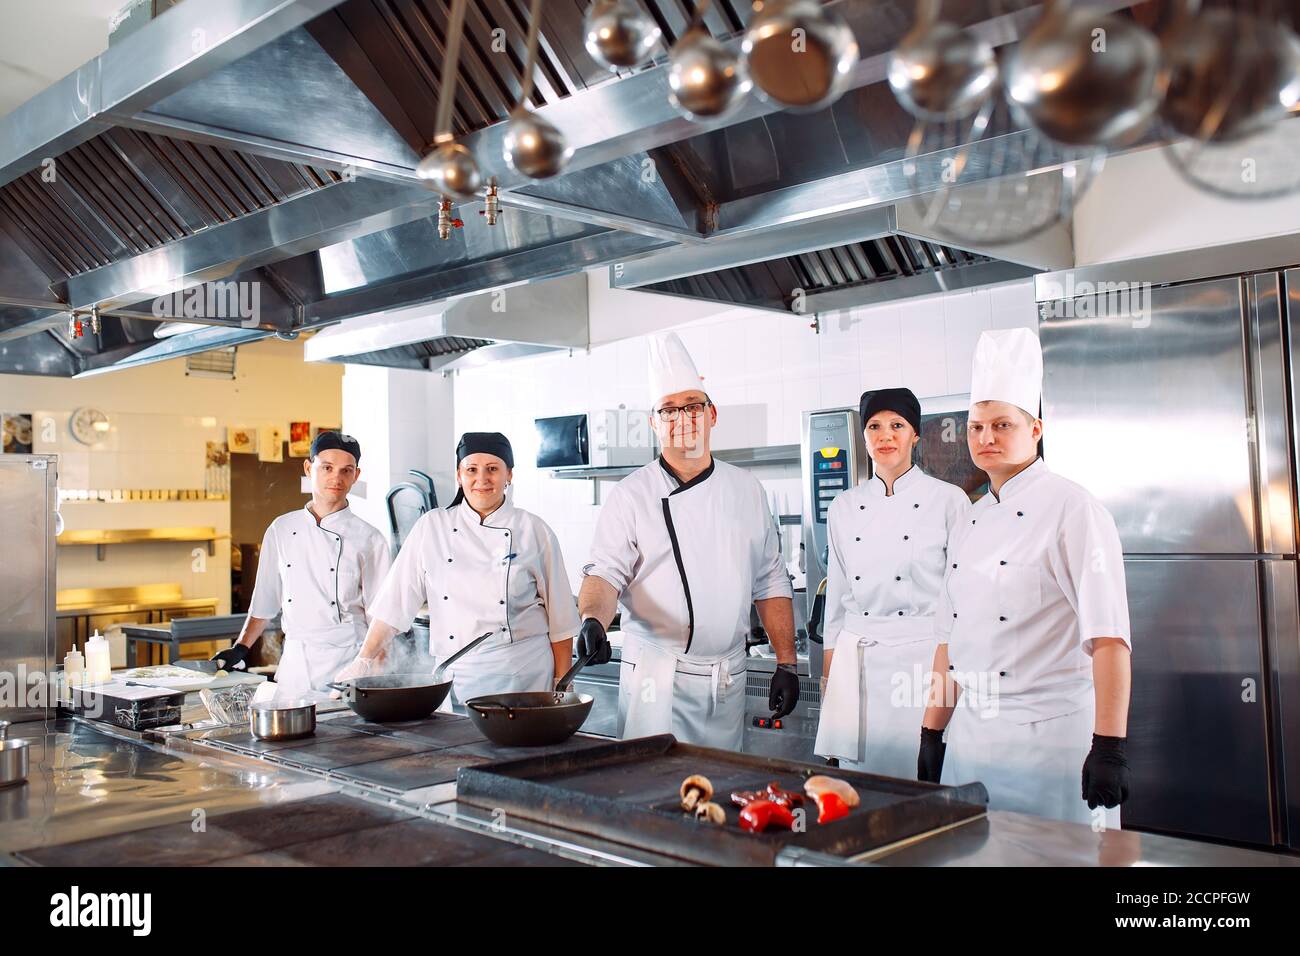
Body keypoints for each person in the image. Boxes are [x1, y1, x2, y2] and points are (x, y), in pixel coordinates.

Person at [919, 328, 1132, 825]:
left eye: (1001, 425)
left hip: (1051, 747)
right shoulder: (969, 519)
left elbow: (1109, 638)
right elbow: (949, 641)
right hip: (972, 743)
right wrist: (932, 733)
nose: (986, 438)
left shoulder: (1073, 509)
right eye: (975, 427)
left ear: (1035, 429)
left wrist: (1110, 745)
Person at [577, 332, 799, 750]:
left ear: (712, 414)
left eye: (693, 406)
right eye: (668, 410)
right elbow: (605, 575)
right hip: (656, 678)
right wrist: (592, 618)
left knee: (718, 795)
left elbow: (770, 581)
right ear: (653, 424)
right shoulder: (631, 494)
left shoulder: (748, 490)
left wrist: (786, 661)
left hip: (727, 678)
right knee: (652, 795)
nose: (683, 419)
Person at [335, 432, 579, 703]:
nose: (482, 479)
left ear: (509, 475)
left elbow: (561, 619)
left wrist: (562, 681)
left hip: (522, 672)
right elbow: (395, 602)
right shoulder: (432, 527)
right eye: (472, 469)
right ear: (459, 476)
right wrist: (365, 660)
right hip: (455, 672)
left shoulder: (533, 530)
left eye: (493, 469)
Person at [814, 387, 970, 777]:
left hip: (923, 665)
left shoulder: (949, 501)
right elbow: (836, 608)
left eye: (897, 425)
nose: (885, 436)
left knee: (922, 790)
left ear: (914, 435)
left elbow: (963, 608)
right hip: (858, 667)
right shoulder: (843, 507)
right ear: (863, 436)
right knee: (860, 789)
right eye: (874, 426)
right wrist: (831, 696)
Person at [212, 432, 390, 700]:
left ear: (356, 475)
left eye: (346, 470)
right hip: (295, 665)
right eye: (327, 467)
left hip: (348, 664)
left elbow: (381, 617)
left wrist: (373, 670)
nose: (336, 478)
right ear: (309, 468)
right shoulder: (281, 529)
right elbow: (265, 601)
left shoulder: (369, 538)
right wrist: (241, 648)